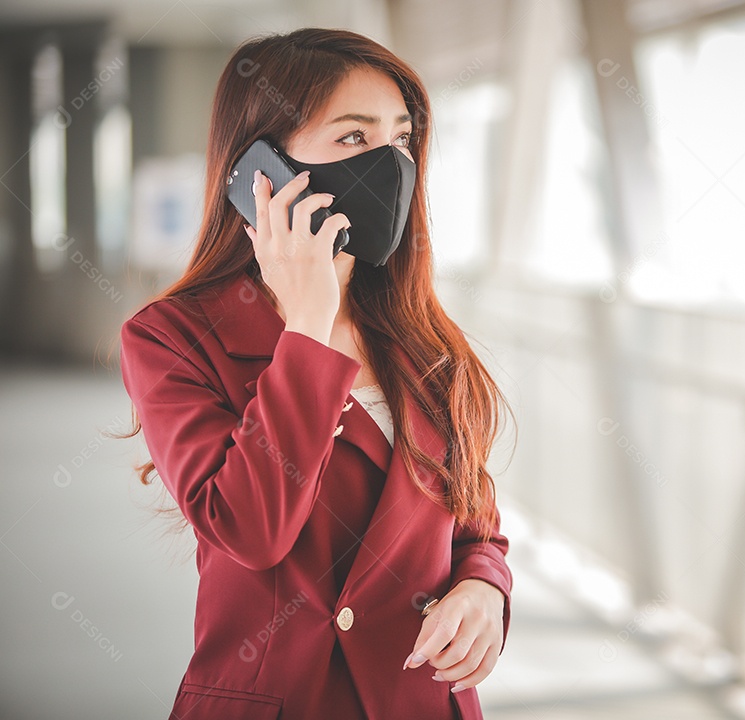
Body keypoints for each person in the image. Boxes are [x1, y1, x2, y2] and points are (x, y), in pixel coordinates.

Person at [117, 27, 513, 720]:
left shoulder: (422, 337)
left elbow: (476, 526)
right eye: (354, 139)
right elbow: (249, 529)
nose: (389, 163)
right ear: (260, 172)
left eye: (400, 139)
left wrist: (485, 590)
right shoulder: (171, 339)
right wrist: (306, 328)